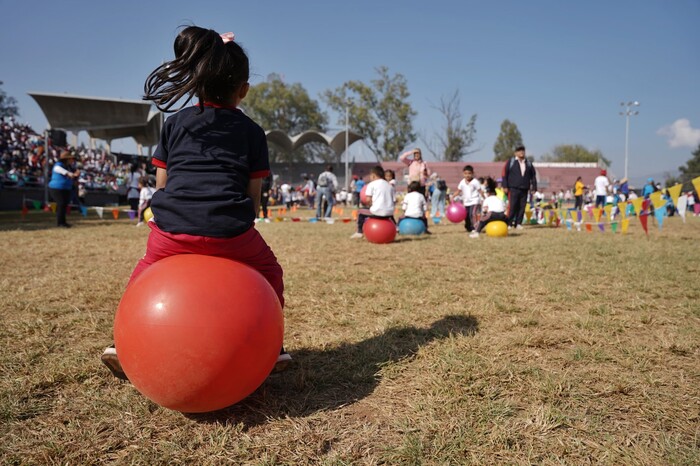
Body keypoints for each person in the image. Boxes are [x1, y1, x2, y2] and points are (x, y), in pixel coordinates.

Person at [101, 26, 291, 380]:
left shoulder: (175, 124)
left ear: (197, 83)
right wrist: (239, 219)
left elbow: (163, 182)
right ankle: (274, 347)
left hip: (172, 230)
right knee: (270, 272)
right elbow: (254, 193)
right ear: (243, 90)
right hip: (229, 230)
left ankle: (119, 342)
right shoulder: (252, 132)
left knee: (145, 273)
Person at [350, 165, 395, 239]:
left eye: (370, 176)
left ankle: (359, 232)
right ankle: (395, 227)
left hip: (377, 212)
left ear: (373, 176)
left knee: (360, 212)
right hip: (390, 213)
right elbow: (393, 200)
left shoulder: (371, 185)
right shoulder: (389, 186)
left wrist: (369, 205)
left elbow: (368, 200)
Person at [501, 145, 537, 229]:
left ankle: (518, 223)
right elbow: (504, 174)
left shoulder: (528, 163)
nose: (521, 152)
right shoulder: (511, 162)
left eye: (523, 150)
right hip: (513, 188)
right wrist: (505, 186)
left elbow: (533, 176)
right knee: (512, 206)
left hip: (524, 188)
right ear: (515, 153)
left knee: (522, 207)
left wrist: (534, 187)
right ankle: (509, 223)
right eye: (519, 150)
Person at [48, 151, 80, 228]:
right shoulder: (59, 165)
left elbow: (71, 176)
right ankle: (60, 223)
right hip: (56, 188)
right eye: (71, 159)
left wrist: (74, 178)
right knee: (61, 204)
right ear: (67, 159)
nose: (72, 160)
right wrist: (69, 173)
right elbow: (58, 169)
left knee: (64, 205)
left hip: (65, 188)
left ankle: (63, 222)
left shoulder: (69, 167)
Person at [455, 164, 482, 233]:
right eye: (465, 173)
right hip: (466, 202)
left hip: (475, 201)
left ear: (472, 173)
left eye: (469, 173)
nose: (467, 175)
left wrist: (485, 198)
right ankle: (468, 227)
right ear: (463, 174)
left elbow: (480, 191)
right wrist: (453, 197)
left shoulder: (475, 182)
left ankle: (475, 228)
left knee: (472, 214)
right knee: (466, 215)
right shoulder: (462, 182)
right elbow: (458, 191)